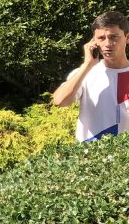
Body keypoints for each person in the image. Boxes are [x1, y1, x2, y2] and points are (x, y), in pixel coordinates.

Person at [51, 10, 129, 141]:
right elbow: (60, 101)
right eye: (101, 38)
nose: (107, 44)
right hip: (91, 152)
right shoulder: (85, 73)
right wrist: (87, 65)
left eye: (114, 37)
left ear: (127, 38)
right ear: (93, 42)